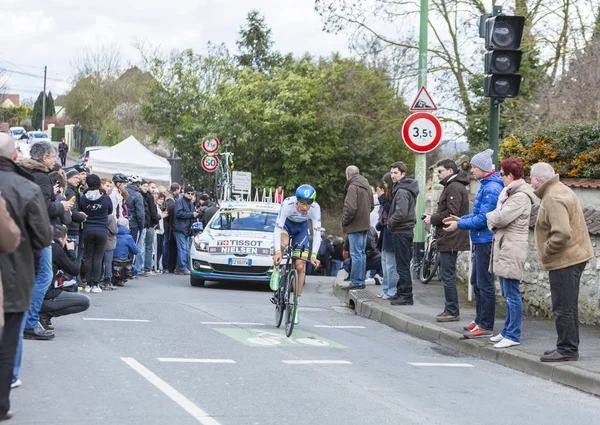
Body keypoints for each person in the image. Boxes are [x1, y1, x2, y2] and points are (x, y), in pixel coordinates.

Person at [0, 133, 53, 419]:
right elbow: (43, 236)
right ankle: (1, 403)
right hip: (14, 275)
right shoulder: (26, 187)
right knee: (8, 341)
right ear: (15, 156)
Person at [530, 162, 593, 362]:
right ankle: (567, 345)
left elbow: (562, 233)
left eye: (531, 178)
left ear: (538, 180)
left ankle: (567, 349)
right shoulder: (559, 190)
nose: (530, 182)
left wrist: (547, 251)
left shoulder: (553, 198)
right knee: (568, 304)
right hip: (574, 256)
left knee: (563, 306)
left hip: (565, 259)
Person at [444, 149, 503, 338]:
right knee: (476, 282)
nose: (472, 171)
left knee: (484, 284)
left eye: (475, 167)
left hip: (485, 240)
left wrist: (459, 224)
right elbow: (477, 215)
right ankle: (479, 320)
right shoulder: (486, 185)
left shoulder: (491, 188)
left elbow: (484, 219)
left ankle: (485, 324)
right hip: (479, 240)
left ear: (484, 168)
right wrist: (461, 218)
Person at [20, 141, 72, 340]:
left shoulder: (23, 172)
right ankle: (31, 322)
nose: (55, 160)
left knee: (29, 278)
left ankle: (24, 320)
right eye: (52, 157)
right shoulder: (42, 177)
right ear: (43, 158)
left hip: (23, 232)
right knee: (44, 276)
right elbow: (42, 207)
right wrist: (61, 206)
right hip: (39, 233)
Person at [485, 158, 535, 348]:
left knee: (512, 293)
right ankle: (507, 330)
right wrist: (494, 218)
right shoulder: (510, 193)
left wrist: (490, 217)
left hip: (512, 247)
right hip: (506, 246)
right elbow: (498, 218)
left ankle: (513, 335)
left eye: (503, 174)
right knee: (507, 292)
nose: (501, 177)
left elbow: (500, 218)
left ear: (511, 175)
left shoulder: (520, 196)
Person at [424, 159, 470, 321]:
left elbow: (452, 214)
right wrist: (434, 217)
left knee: (447, 275)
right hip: (449, 236)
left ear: (450, 171)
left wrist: (433, 219)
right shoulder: (453, 186)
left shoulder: (454, 187)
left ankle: (452, 311)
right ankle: (449, 309)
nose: (438, 174)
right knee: (446, 274)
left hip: (451, 236)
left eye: (440, 171)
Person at [272, 185, 322, 324]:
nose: (305, 207)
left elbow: (317, 232)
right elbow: (278, 229)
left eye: (309, 203)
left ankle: (296, 305)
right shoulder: (287, 204)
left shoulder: (315, 208)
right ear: (296, 201)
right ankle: (276, 269)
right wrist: (277, 252)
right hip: (286, 227)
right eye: (302, 203)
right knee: (283, 244)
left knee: (300, 265)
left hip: (301, 230)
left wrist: (314, 254)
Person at [41, 226, 90, 328]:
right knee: (84, 302)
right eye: (65, 239)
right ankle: (45, 314)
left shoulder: (42, 245)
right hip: (46, 295)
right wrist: (71, 251)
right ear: (60, 239)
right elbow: (74, 270)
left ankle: (42, 314)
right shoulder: (55, 248)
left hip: (33, 293)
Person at [387, 161, 419, 306]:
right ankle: (401, 292)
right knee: (402, 264)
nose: (392, 176)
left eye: (395, 173)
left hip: (401, 231)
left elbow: (401, 213)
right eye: (391, 172)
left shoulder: (401, 191)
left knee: (402, 265)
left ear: (403, 174)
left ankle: (406, 295)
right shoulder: (403, 189)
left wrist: (390, 223)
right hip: (404, 230)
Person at [340, 165, 374, 290]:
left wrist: (345, 220)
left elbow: (350, 208)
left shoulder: (353, 187)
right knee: (361, 254)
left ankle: (356, 281)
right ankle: (361, 280)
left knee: (355, 254)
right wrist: (364, 216)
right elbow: (372, 205)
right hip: (365, 225)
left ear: (348, 175)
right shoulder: (366, 186)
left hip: (355, 225)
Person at [79, 174, 113, 293]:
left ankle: (88, 284)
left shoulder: (83, 197)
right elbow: (110, 211)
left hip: (87, 229)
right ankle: (96, 285)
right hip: (102, 229)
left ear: (87, 183)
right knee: (98, 257)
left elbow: (80, 209)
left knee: (89, 257)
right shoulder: (105, 198)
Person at [173, 186, 199, 275]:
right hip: (180, 229)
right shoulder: (180, 201)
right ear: (185, 193)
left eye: (192, 194)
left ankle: (181, 267)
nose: (190, 195)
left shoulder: (190, 203)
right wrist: (192, 214)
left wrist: (192, 232)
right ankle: (182, 267)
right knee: (183, 249)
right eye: (188, 193)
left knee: (186, 249)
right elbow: (178, 213)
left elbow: (191, 218)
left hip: (186, 229)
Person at [125, 175, 145, 275]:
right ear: (137, 184)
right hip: (134, 224)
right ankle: (129, 270)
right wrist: (141, 226)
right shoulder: (137, 195)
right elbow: (140, 213)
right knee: (132, 247)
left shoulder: (123, 192)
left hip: (123, 223)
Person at [113, 218, 139, 287]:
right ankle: (122, 279)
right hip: (123, 263)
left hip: (112, 261)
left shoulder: (112, 235)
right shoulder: (128, 237)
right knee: (135, 270)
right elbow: (136, 251)